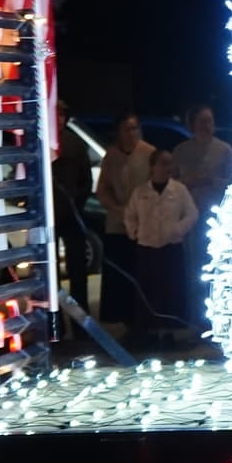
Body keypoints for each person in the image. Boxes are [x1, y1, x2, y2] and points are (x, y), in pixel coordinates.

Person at [123, 148, 198, 348]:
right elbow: (130, 215)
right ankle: (150, 331)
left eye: (170, 163)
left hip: (170, 248)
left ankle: (168, 332)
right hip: (147, 247)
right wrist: (135, 232)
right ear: (153, 166)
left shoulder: (179, 190)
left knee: (170, 291)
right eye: (163, 163)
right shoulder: (140, 192)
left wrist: (177, 229)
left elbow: (192, 214)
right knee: (149, 291)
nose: (168, 168)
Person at [171, 103, 232, 326]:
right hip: (192, 221)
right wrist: (186, 182)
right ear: (192, 124)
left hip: (219, 220)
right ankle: (197, 321)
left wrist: (212, 181)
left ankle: (223, 320)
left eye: (210, 120)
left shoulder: (224, 150)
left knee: (221, 269)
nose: (207, 125)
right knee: (195, 271)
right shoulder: (181, 152)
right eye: (202, 121)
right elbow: (171, 184)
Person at [94, 113, 154, 324]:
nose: (131, 134)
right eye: (126, 129)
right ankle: (119, 321)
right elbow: (103, 189)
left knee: (140, 273)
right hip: (117, 223)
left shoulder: (148, 153)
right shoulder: (111, 156)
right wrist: (116, 208)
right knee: (118, 274)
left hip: (143, 224)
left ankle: (141, 320)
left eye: (134, 128)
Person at [51, 101, 95, 311]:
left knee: (77, 272)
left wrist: (76, 203)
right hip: (48, 218)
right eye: (55, 114)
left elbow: (86, 180)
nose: (58, 119)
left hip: (72, 214)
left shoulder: (75, 144)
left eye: (62, 115)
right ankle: (53, 325)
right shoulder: (40, 143)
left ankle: (80, 324)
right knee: (49, 274)